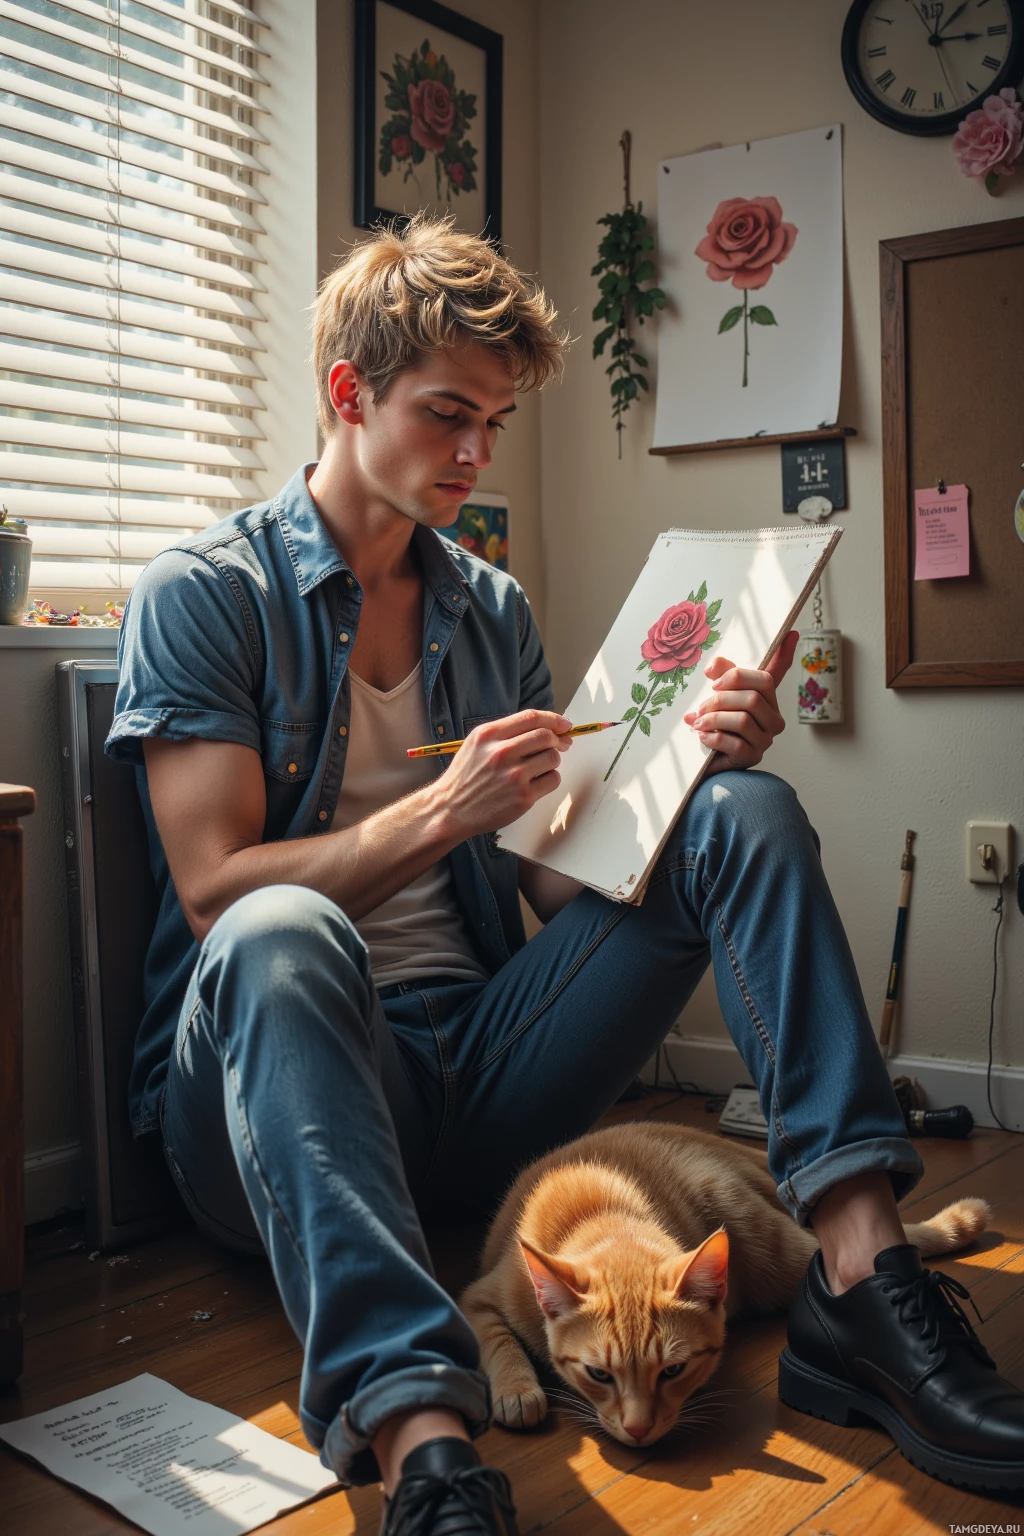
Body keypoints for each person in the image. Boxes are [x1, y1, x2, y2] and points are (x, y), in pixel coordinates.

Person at [107, 216, 1024, 1534]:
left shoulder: (493, 610)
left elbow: (551, 895)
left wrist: (688, 779)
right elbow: (211, 895)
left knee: (746, 813)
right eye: (447, 416)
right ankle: (426, 1443)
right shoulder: (206, 593)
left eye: (496, 424)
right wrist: (442, 811)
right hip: (277, 1100)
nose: (477, 457)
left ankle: (865, 1285)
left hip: (480, 1079)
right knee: (279, 930)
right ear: (347, 394)